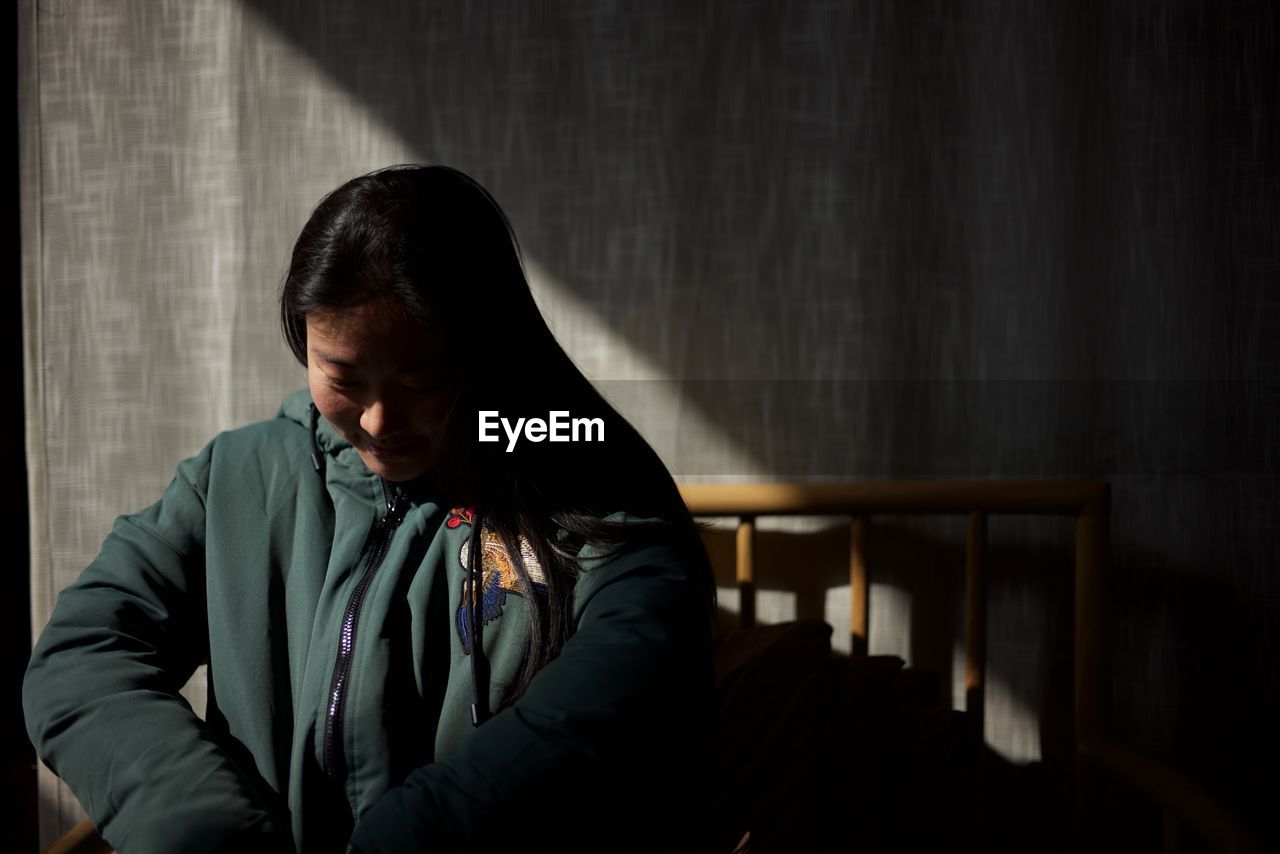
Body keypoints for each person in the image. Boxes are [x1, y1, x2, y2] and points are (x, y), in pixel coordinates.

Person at [24, 165, 716, 853]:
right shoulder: (235, 479)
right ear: (304, 341)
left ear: (487, 348)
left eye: (422, 381)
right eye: (344, 377)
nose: (381, 421)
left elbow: (628, 685)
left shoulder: (589, 486)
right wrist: (205, 831)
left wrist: (419, 835)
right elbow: (84, 653)